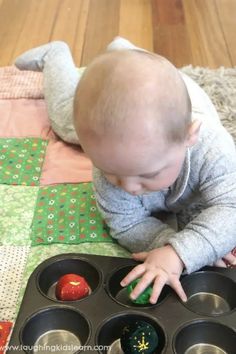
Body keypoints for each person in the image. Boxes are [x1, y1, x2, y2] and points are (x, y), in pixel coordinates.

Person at [15, 37, 236, 304]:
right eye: (112, 171)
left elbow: (230, 207)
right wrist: (177, 246)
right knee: (66, 123)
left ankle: (124, 51)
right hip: (122, 111)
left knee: (138, 77)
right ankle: (55, 56)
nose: (128, 188)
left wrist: (187, 250)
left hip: (175, 98)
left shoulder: (213, 148)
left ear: (188, 138)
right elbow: (127, 223)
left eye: (148, 174)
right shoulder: (108, 164)